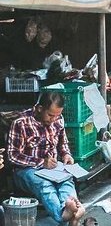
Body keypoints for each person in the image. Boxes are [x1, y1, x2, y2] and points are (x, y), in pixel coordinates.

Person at [7, 92, 86, 225]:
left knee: (67, 180)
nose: (53, 119)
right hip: (26, 171)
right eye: (50, 115)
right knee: (45, 184)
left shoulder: (58, 119)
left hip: (53, 169)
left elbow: (63, 144)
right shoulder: (21, 123)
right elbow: (13, 155)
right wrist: (41, 162)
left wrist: (66, 154)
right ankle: (65, 215)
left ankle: (70, 211)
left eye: (56, 115)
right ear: (39, 108)